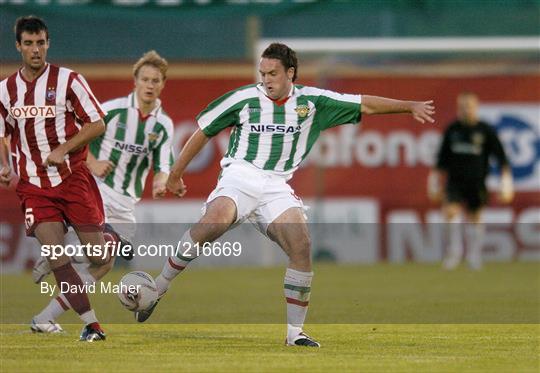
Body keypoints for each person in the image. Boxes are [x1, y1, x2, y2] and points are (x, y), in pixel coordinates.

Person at [137, 43, 435, 347]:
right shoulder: (244, 99)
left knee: (302, 245)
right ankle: (159, 286)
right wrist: (175, 175)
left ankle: (295, 334)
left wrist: (409, 105)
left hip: (277, 186)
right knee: (215, 221)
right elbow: (203, 130)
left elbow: (364, 104)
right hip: (240, 175)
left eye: (273, 73)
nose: (266, 79)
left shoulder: (313, 102)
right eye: (262, 73)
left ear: (290, 73)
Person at [31, 50, 174, 330]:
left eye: (155, 80)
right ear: (135, 81)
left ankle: (45, 316)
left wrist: (160, 182)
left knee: (103, 266)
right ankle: (61, 254)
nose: (150, 85)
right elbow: (76, 138)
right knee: (103, 249)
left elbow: (163, 164)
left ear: (163, 84)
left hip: (125, 202)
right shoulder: (113, 109)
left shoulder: (164, 124)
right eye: (145, 79)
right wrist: (93, 163)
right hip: (96, 191)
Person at [0, 15, 109, 341]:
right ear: (18, 46)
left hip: (73, 180)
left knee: (101, 261)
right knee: (56, 253)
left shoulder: (70, 81)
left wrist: (64, 148)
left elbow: (97, 123)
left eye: (41, 43)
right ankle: (92, 325)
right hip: (34, 187)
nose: (36, 50)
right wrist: (4, 165)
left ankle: (66, 264)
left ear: (48, 43)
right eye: (29, 44)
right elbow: (2, 133)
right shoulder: (5, 90)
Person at [427, 92, 513, 270]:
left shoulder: (485, 130)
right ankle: (455, 252)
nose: (466, 110)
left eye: (470, 106)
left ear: (476, 108)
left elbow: (501, 157)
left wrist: (506, 181)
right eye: (463, 107)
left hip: (477, 181)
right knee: (450, 212)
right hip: (455, 181)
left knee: (475, 217)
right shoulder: (452, 130)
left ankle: (474, 255)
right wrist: (433, 180)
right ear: (458, 109)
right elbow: (441, 159)